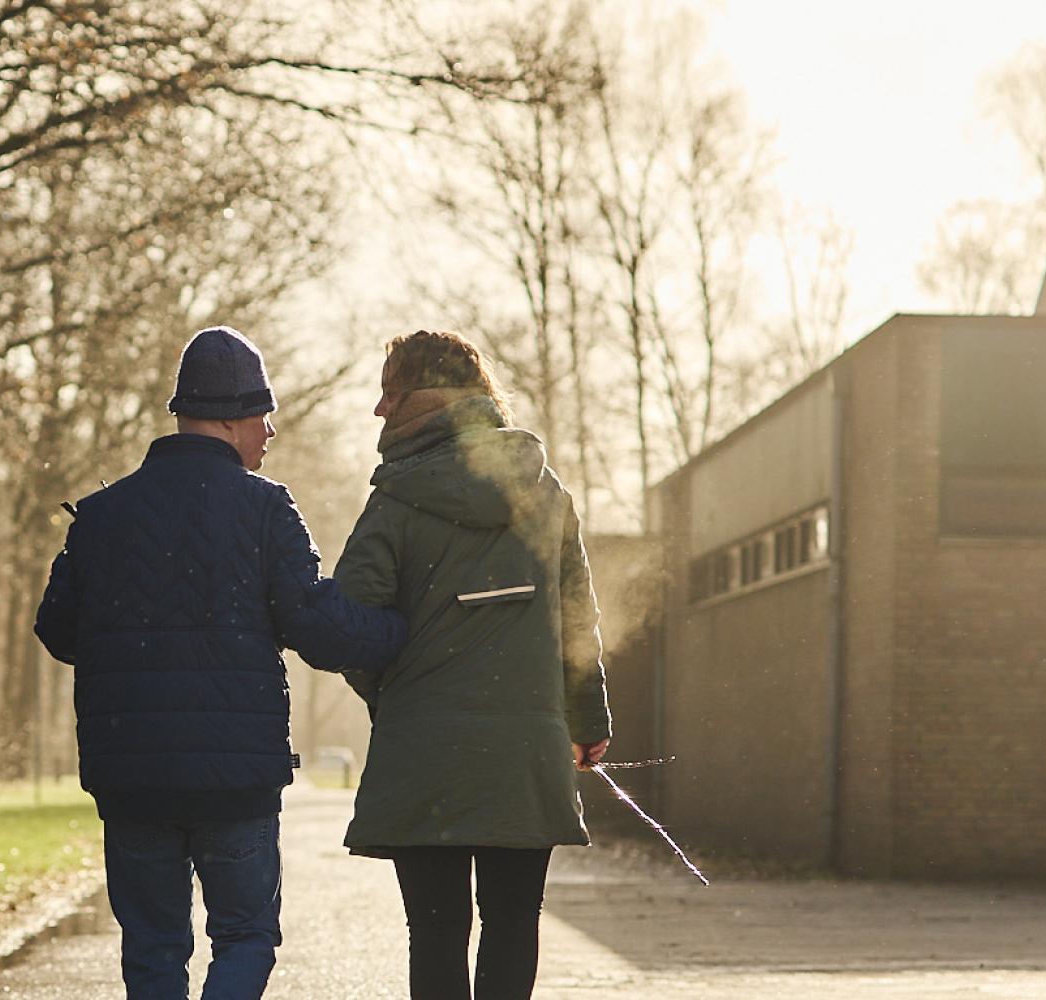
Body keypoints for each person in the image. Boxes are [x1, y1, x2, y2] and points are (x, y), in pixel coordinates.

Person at [34, 325, 406, 999]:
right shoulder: (264, 509)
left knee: (152, 946)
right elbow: (314, 627)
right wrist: (399, 633)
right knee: (245, 935)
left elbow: (58, 629)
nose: (270, 432)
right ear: (233, 416)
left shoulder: (102, 514)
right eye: (264, 415)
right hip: (234, 779)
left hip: (132, 775)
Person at [335, 329, 612, 1000]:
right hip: (525, 745)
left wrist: (392, 691)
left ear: (424, 399)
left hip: (425, 748)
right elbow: (577, 617)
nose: (378, 410)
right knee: (513, 919)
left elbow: (351, 626)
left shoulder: (395, 503)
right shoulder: (546, 497)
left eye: (389, 393)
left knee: (435, 930)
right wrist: (587, 715)